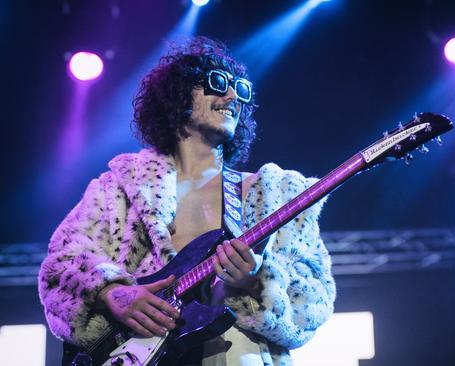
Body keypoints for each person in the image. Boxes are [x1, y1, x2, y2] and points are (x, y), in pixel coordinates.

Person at [38, 36, 336, 365]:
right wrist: (113, 293)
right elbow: (60, 267)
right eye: (217, 83)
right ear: (178, 96)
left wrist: (256, 281)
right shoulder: (120, 190)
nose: (233, 96)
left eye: (240, 89)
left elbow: (313, 302)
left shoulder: (275, 194)